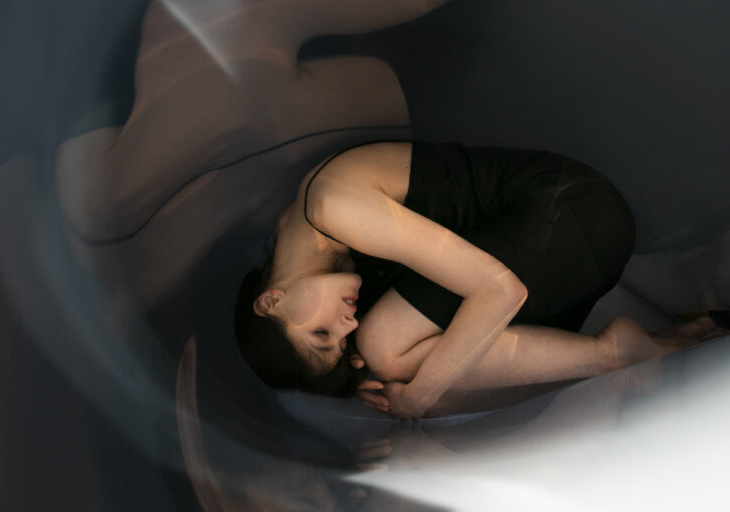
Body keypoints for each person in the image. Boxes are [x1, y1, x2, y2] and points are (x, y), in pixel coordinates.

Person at [235, 140, 727, 419]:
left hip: (574, 217)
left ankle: (613, 354)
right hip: (565, 241)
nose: (346, 327)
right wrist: (385, 383)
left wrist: (417, 397)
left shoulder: (334, 208)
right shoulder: (304, 235)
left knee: (393, 355)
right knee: (416, 371)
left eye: (321, 334)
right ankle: (669, 344)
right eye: (338, 342)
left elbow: (500, 290)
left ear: (270, 301)